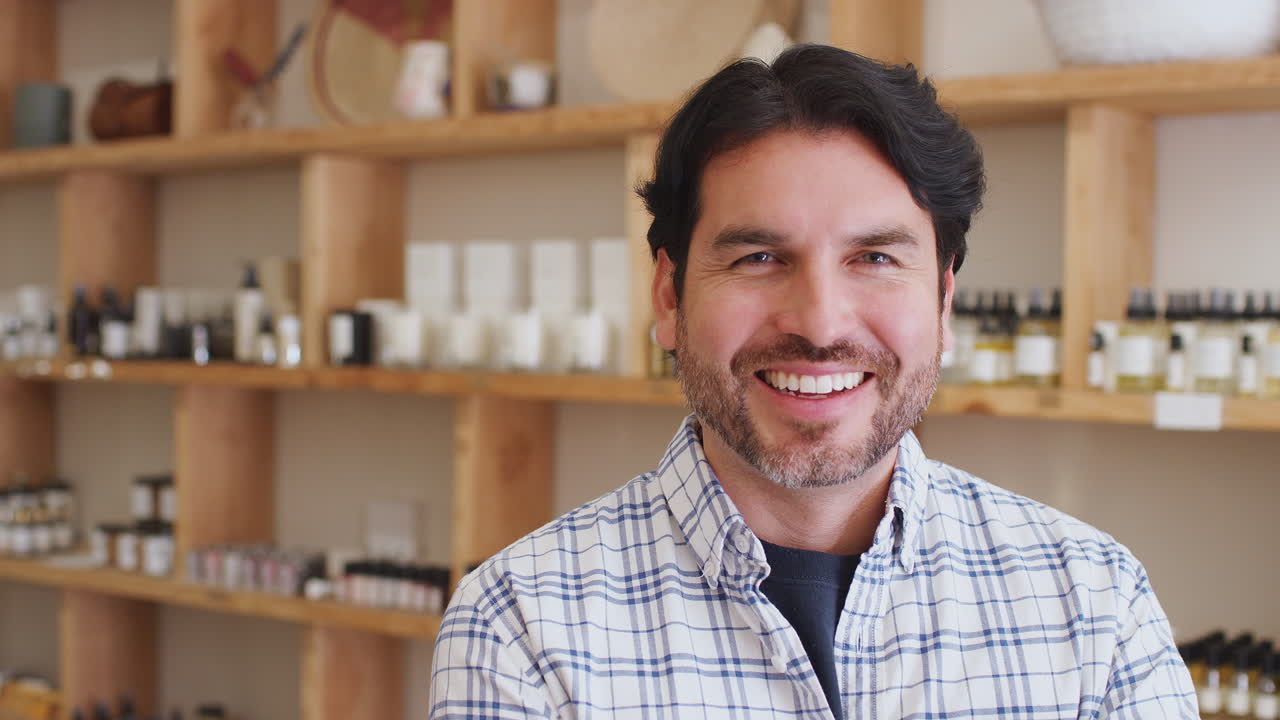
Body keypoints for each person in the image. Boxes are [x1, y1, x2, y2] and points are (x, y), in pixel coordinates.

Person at [429, 44, 1196, 719]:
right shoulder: (520, 627)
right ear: (669, 296)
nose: (822, 324)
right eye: (759, 258)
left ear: (944, 300)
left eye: (875, 258)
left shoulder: (1097, 609)